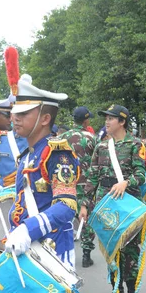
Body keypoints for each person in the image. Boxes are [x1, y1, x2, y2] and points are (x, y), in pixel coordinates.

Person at [1, 74, 117, 293]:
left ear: (44, 117)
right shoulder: (28, 154)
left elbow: (66, 204)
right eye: (15, 112)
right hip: (26, 248)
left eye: (23, 113)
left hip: (52, 248)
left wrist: (28, 228)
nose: (15, 117)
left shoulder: (58, 153)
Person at [81, 104, 146, 293]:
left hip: (126, 203)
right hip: (105, 203)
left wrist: (126, 183)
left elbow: (141, 174)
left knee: (130, 251)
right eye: (106, 118)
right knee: (111, 250)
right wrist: (84, 204)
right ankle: (116, 292)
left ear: (122, 121)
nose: (107, 122)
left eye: (111, 118)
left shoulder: (135, 145)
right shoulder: (101, 146)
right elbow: (92, 176)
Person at [59, 106, 98, 268]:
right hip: (86, 184)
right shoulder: (91, 138)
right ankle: (86, 255)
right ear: (86, 120)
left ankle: (62, 253)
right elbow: (97, 162)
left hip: (66, 183)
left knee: (65, 217)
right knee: (87, 218)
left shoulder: (61, 138)